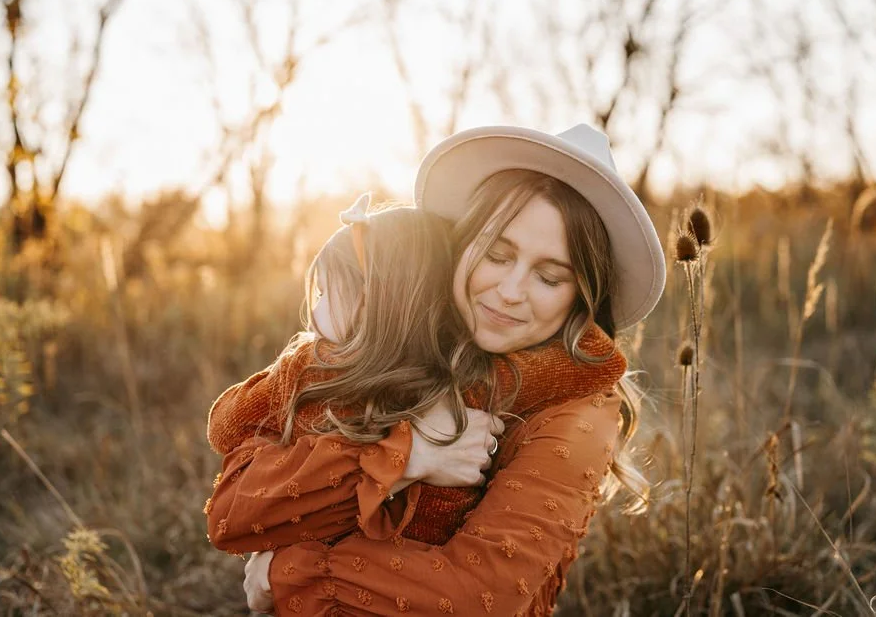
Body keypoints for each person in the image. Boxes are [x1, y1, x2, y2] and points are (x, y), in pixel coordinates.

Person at [217, 124, 666, 615]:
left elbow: (477, 597)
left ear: (582, 296)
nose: (511, 290)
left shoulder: (579, 411)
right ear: (463, 244)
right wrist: (406, 456)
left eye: (548, 276)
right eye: (497, 254)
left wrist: (294, 569)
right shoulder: (394, 338)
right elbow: (233, 510)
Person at [205, 195, 625, 547]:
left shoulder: (309, 369)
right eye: (496, 256)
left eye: (326, 294)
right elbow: (583, 365)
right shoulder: (461, 379)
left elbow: (226, 425)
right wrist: (405, 456)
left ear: (373, 302)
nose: (312, 314)